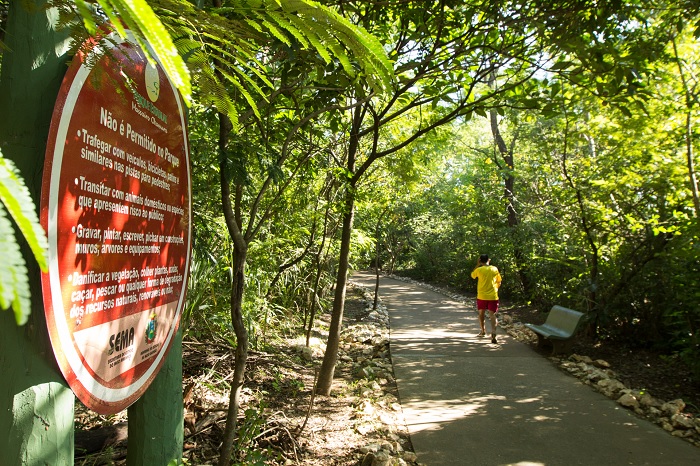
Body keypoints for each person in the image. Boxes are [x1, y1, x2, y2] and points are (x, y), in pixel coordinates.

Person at [470, 254, 502, 343]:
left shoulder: (479, 270)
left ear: (480, 261)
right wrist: (495, 289)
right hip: (493, 296)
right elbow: (499, 281)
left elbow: (472, 275)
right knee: (493, 315)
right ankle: (494, 332)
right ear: (489, 260)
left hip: (482, 296)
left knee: (481, 314)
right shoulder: (494, 269)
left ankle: (483, 331)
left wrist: (477, 264)